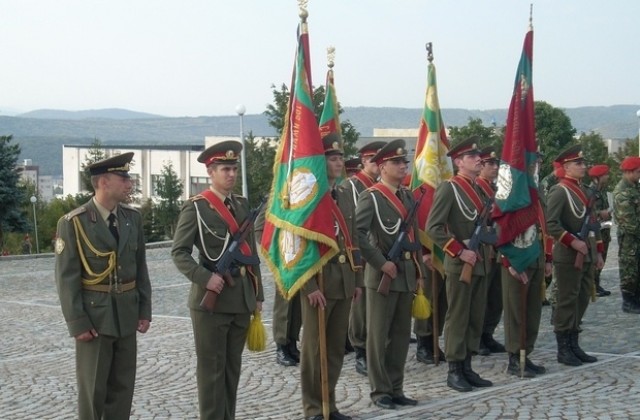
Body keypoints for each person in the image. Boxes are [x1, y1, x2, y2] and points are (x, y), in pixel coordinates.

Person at [54, 152, 152, 419]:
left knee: (122, 389)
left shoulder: (132, 219)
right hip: (95, 319)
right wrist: (77, 322)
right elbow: (67, 278)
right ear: (104, 182)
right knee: (93, 391)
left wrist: (144, 310)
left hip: (126, 315)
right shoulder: (74, 223)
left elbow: (140, 268)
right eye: (123, 178)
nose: (129, 183)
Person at [171, 141, 264, 420]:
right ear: (210, 172)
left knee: (231, 370)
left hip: (240, 299)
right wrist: (206, 278)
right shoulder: (197, 208)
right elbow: (179, 252)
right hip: (211, 302)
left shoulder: (242, 205)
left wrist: (257, 295)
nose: (232, 174)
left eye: (234, 168)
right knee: (212, 372)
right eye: (225, 169)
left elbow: (251, 254)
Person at [356, 139, 424, 409]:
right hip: (383, 275)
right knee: (378, 335)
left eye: (404, 162)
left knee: (399, 336)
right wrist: (379, 262)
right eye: (397, 162)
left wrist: (419, 272)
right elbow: (358, 234)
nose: (402, 166)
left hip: (405, 273)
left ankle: (396, 387)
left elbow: (414, 236)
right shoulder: (371, 197)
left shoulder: (407, 196)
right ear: (382, 167)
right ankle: (380, 390)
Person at [300, 133, 363, 420]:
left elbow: (353, 239)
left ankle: (330, 403)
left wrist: (357, 279)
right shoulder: (309, 196)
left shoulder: (344, 193)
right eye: (332, 158)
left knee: (336, 348)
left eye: (340, 158)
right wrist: (309, 284)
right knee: (315, 350)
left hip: (343, 281)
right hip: (320, 282)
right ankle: (314, 408)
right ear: (319, 160)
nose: (339, 163)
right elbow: (297, 243)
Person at [426, 136, 493, 392]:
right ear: (458, 161)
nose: (479, 160)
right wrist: (458, 251)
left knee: (475, 316)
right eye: (472, 157)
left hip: (481, 261)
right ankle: (454, 368)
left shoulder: (479, 189)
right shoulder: (450, 188)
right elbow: (433, 227)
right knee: (458, 315)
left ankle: (467, 365)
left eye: (479, 157)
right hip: (461, 263)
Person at [546, 145, 604, 366]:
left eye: (583, 162)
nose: (583, 166)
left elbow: (593, 223)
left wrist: (598, 250)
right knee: (567, 299)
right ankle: (563, 348)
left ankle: (574, 343)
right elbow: (552, 223)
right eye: (578, 163)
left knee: (581, 298)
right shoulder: (560, 191)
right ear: (566, 166)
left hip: (586, 252)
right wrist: (573, 241)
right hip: (569, 254)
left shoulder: (586, 190)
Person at [501, 151, 552, 377]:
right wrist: (509, 261)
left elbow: (544, 227)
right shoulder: (513, 193)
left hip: (536, 257)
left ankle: (526, 352)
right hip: (517, 260)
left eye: (540, 163)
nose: (538, 167)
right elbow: (501, 230)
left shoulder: (537, 193)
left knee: (532, 311)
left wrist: (547, 258)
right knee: (516, 311)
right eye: (535, 163)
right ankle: (514, 357)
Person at [342, 140, 386, 376]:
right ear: (363, 162)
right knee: (360, 307)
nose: (376, 164)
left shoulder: (383, 187)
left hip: (379, 253)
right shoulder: (351, 186)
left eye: (380, 160)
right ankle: (360, 350)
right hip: (360, 253)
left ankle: (377, 348)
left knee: (377, 306)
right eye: (372, 160)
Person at [254, 206, 303, 367]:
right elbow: (259, 228)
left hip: (300, 256)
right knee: (284, 304)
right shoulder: (275, 197)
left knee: (297, 304)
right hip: (282, 258)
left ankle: (292, 343)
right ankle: (281, 346)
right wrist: (274, 250)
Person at [475, 146, 506, 356]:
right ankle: (476, 337)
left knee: (496, 296)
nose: (495, 167)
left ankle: (487, 333)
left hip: (497, 249)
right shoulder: (476, 188)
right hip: (483, 250)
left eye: (496, 164)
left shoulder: (495, 189)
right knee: (481, 297)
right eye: (490, 164)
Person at [612, 156, 640, 314]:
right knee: (629, 268)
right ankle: (628, 301)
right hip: (630, 238)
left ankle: (636, 298)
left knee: (637, 268)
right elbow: (629, 223)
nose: (639, 174)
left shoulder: (634, 187)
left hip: (637, 237)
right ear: (628, 172)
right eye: (638, 172)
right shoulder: (622, 192)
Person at [587, 164, 612, 297]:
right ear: (598, 177)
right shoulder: (590, 191)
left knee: (603, 257)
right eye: (605, 174)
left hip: (604, 230)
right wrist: (599, 213)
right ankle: (592, 285)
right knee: (596, 258)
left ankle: (596, 284)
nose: (608, 177)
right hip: (595, 232)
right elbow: (588, 211)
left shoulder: (601, 191)